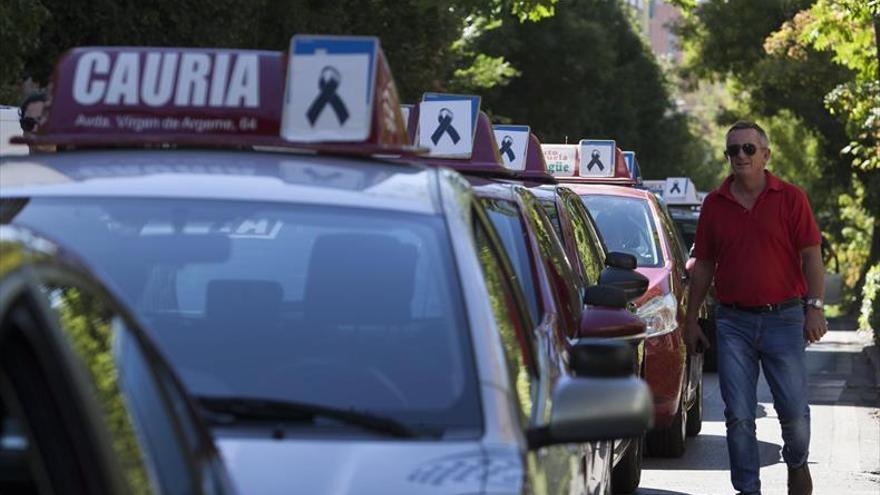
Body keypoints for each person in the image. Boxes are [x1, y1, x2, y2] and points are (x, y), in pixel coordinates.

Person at [685, 121, 826, 495]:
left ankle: (796, 462)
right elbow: (703, 265)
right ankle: (748, 490)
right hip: (733, 322)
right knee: (739, 416)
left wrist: (815, 307)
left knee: (794, 414)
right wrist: (691, 318)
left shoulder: (791, 198)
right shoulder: (715, 204)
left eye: (748, 149)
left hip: (784, 318)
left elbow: (812, 254)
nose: (740, 156)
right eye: (733, 150)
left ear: (766, 155)